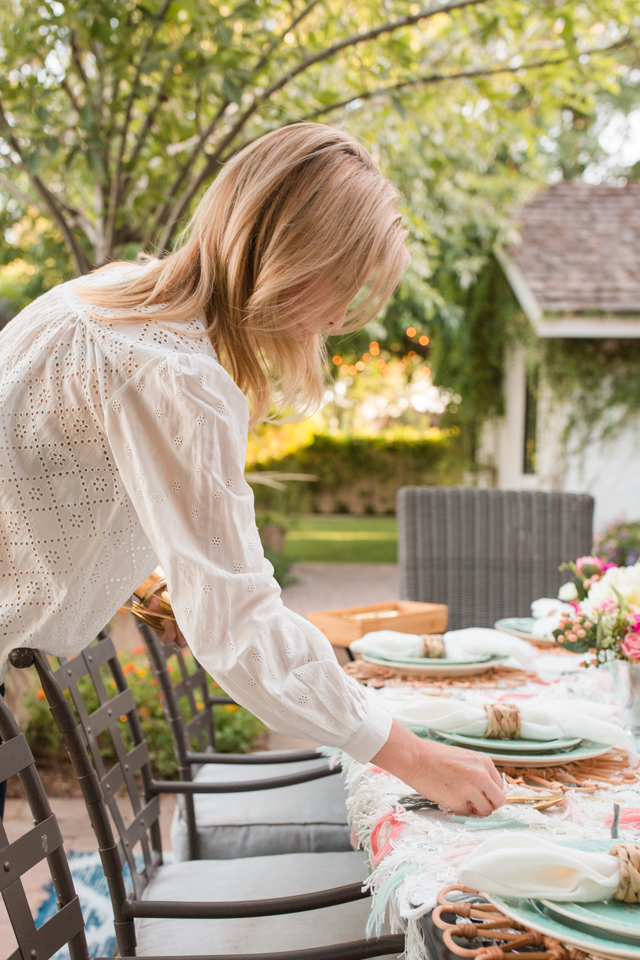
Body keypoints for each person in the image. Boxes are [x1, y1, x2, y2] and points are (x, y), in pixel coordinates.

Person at [0, 123, 504, 817]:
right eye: (343, 284)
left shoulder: (99, 300)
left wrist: (148, 584)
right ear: (292, 256)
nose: (337, 316)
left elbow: (34, 502)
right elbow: (241, 626)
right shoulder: (175, 376)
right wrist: (415, 757)